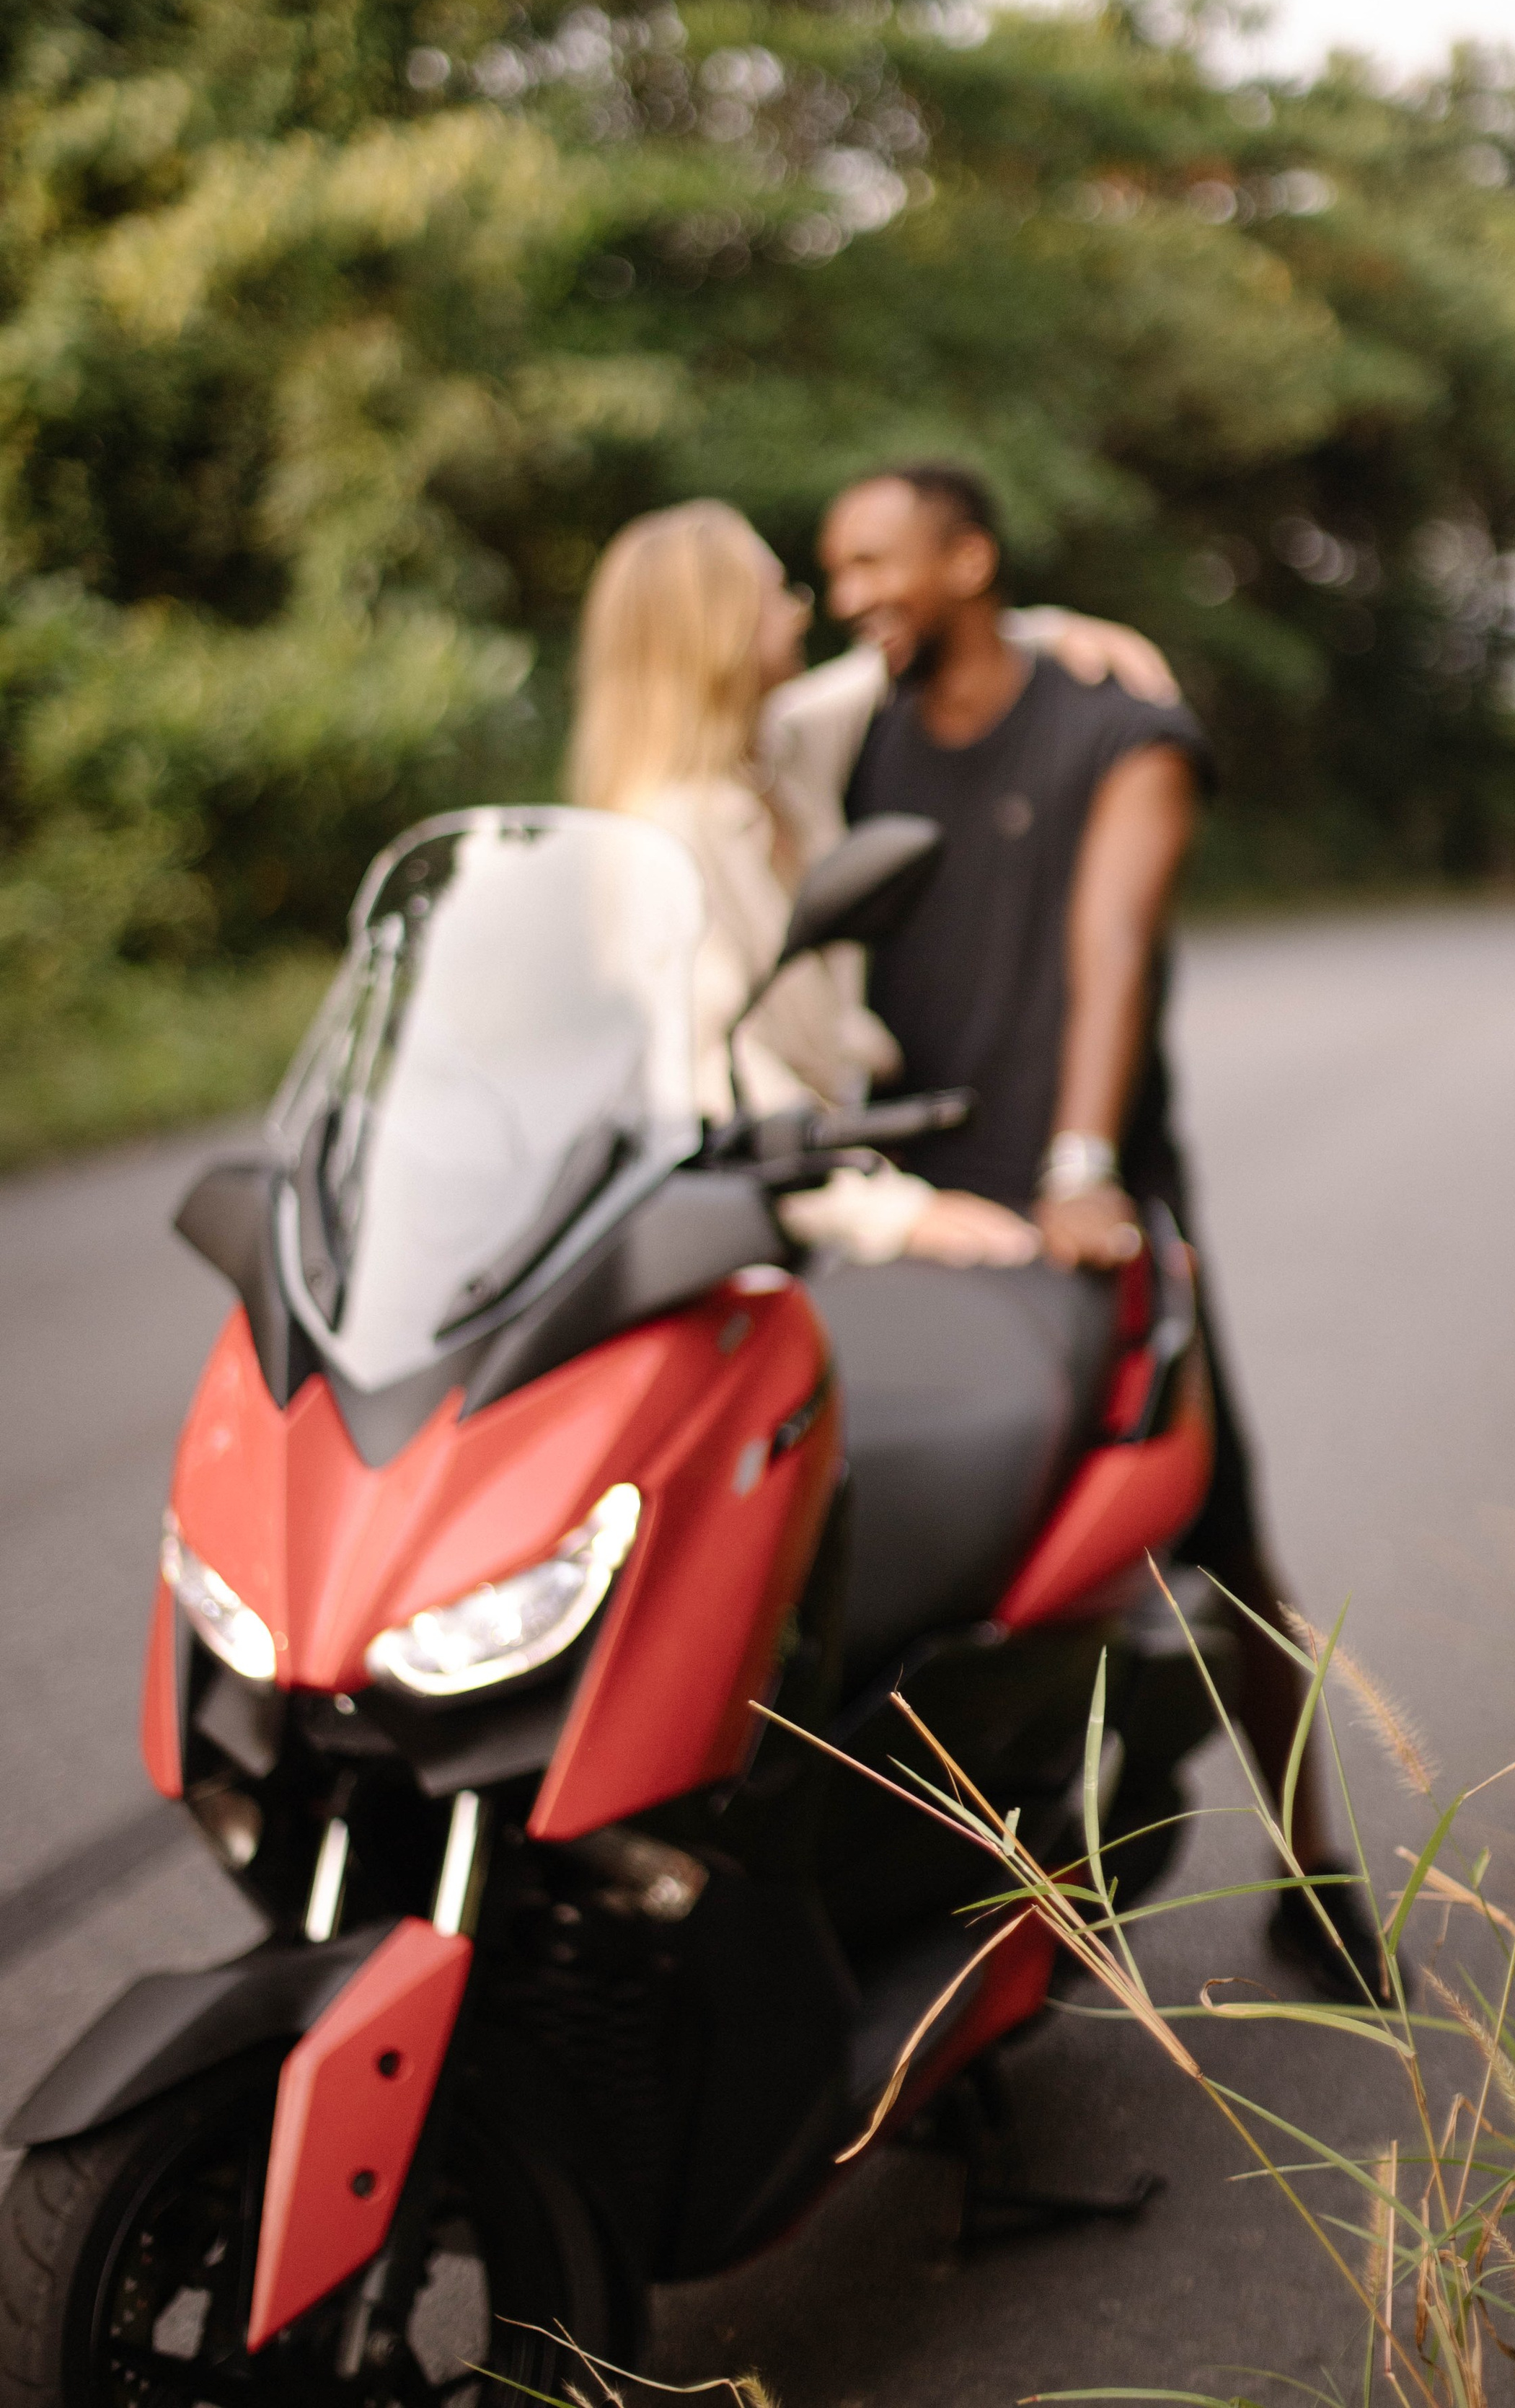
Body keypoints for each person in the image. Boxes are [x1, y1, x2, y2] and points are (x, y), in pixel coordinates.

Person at [763, 462, 1390, 2004]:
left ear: (969, 557)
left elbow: (1107, 947)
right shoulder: (857, 734)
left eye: (877, 563)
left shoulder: (1121, 729)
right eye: (833, 571)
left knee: (1223, 1538)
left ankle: (1312, 1867)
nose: (852, 595)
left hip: (1082, 1202)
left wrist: (1080, 1163)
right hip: (911, 1213)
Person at [565, 496, 1170, 1274]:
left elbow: (904, 657)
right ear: (719, 630)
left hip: (832, 1157)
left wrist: (1047, 631)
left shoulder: (776, 749)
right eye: (777, 593)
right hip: (767, 1210)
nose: (803, 611)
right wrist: (895, 1214)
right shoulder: (657, 841)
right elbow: (712, 1077)